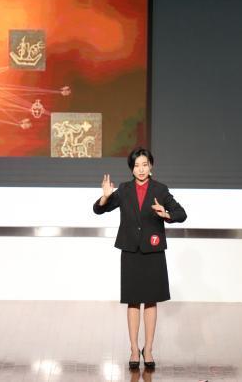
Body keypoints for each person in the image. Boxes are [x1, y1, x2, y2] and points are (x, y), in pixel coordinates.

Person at [93, 147, 187, 369]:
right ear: (132, 168)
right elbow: (99, 210)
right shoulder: (124, 190)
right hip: (130, 251)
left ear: (151, 166)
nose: (141, 169)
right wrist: (105, 197)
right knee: (133, 301)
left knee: (151, 301)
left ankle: (149, 349)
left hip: (153, 252)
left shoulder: (160, 189)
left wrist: (166, 214)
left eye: (145, 164)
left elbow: (181, 213)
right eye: (137, 165)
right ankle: (134, 349)